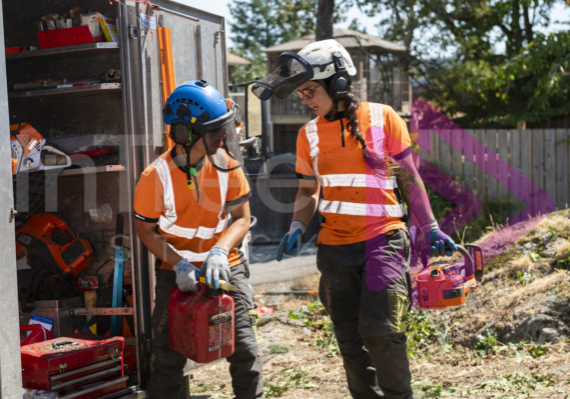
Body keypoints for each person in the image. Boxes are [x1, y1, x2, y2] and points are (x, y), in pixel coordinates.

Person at [253, 40, 457, 399]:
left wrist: (431, 226)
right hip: (335, 248)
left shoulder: (382, 117)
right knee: (348, 338)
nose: (305, 99)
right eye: (301, 92)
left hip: (385, 239)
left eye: (311, 90)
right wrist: (297, 226)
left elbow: (409, 177)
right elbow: (307, 192)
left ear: (339, 84)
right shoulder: (308, 134)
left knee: (381, 331)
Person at [134, 80, 264, 399]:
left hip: (225, 266)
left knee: (244, 348)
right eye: (216, 129)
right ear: (187, 133)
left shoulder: (227, 166)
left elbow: (242, 218)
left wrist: (220, 251)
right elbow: (145, 231)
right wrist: (179, 265)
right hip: (175, 271)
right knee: (167, 356)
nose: (223, 135)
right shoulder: (155, 177)